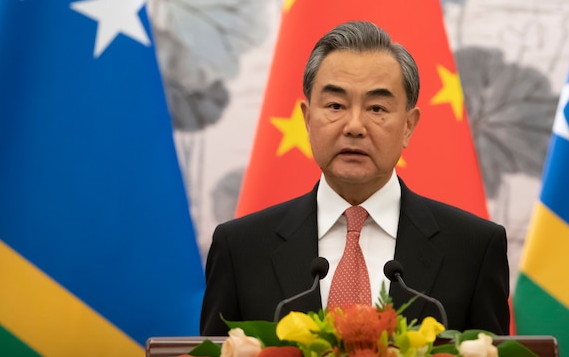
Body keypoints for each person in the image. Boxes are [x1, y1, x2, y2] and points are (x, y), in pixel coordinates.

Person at [200, 21, 510, 335]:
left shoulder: (473, 249)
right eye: (335, 105)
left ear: (408, 126)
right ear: (307, 119)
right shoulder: (241, 249)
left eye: (377, 108)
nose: (355, 126)